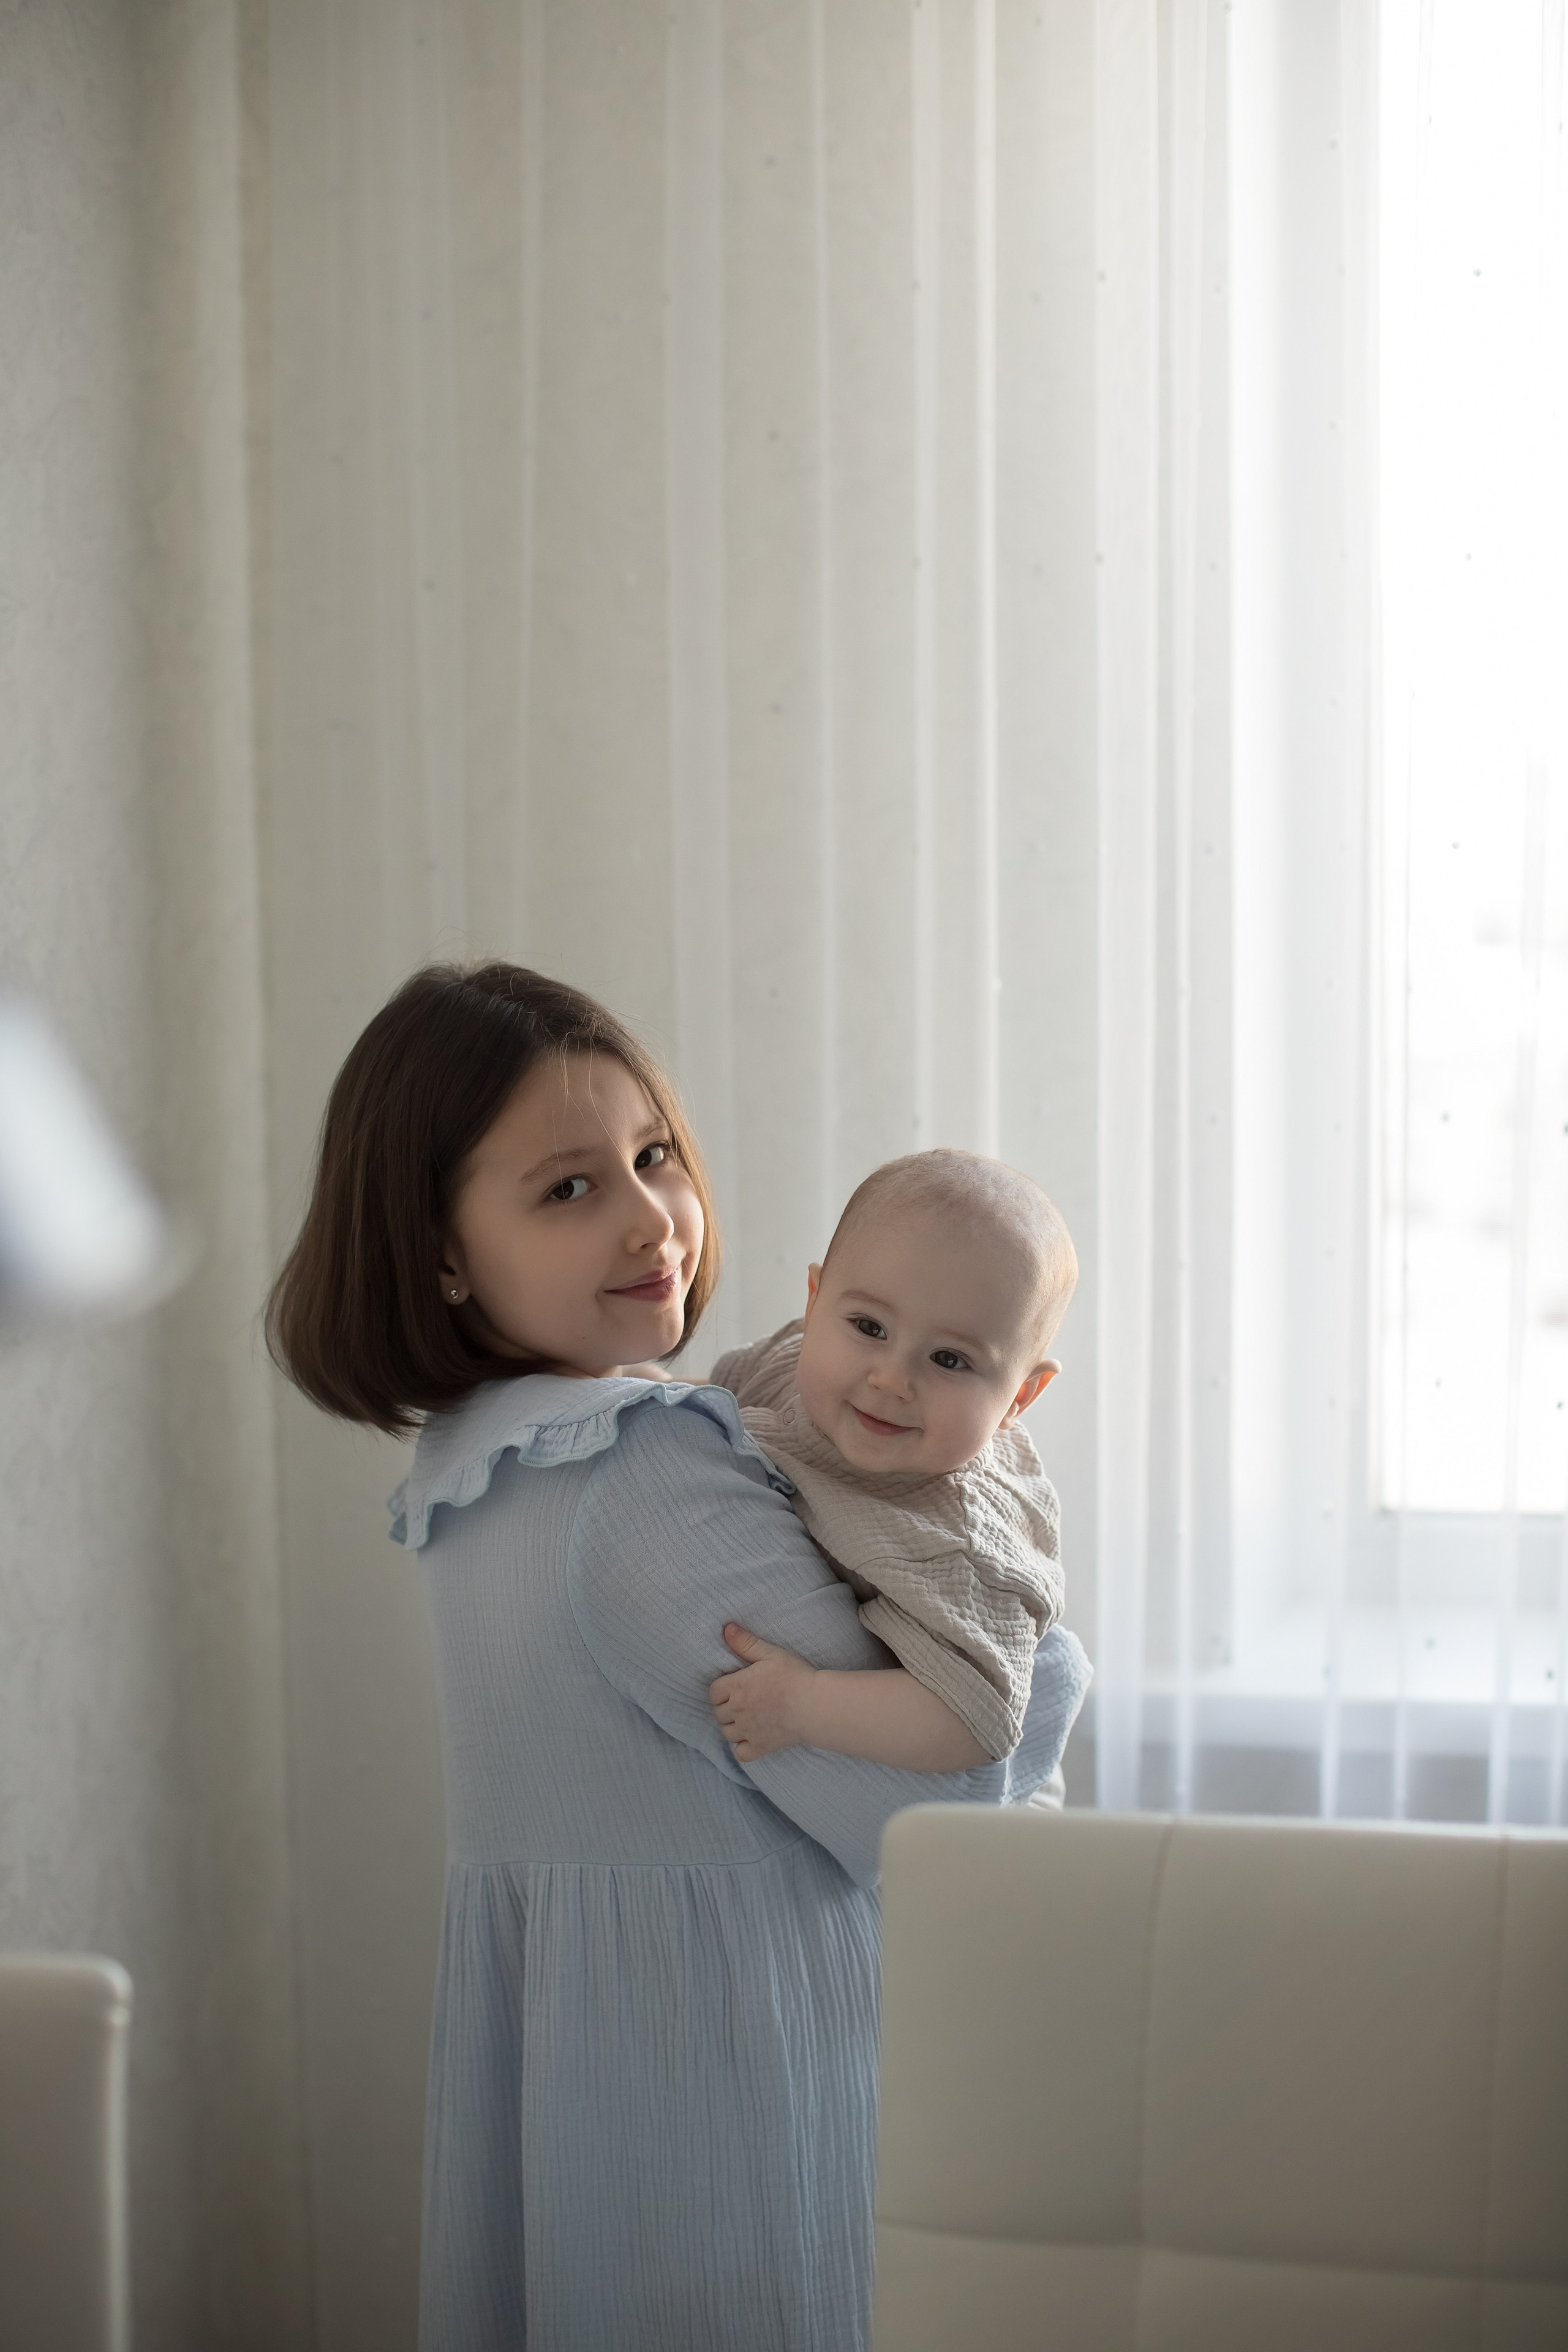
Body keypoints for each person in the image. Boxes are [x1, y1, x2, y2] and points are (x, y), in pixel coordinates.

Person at [266, 960, 1091, 2352]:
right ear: (443, 1251)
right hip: (726, 2092)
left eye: (653, 1155)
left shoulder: (472, 1462)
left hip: (595, 2080)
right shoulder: (642, 1470)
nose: (653, 1214)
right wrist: (1048, 1658)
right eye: (567, 1186)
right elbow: (939, 1805)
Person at [707, 1149, 1077, 1772]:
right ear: (815, 1301)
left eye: (949, 1361)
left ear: (1019, 1397)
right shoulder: (790, 1364)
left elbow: (972, 1722)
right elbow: (707, 1398)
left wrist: (805, 1704)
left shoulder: (956, 1545)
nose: (891, 1379)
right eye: (869, 1327)